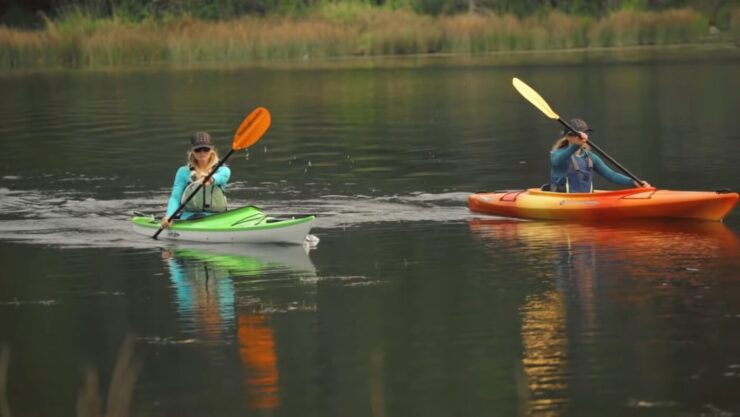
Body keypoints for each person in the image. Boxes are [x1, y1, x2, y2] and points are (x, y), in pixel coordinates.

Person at [547, 118, 650, 193]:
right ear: (568, 137)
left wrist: (634, 182)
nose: (582, 138)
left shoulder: (590, 157)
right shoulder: (558, 154)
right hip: (561, 200)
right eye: (576, 135)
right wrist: (576, 145)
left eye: (584, 134)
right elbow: (557, 160)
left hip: (586, 200)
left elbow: (611, 175)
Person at [160, 132, 231, 228]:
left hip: (217, 218)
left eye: (206, 149)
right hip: (189, 218)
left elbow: (223, 176)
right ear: (192, 151)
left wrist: (211, 179)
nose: (202, 152)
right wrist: (169, 216)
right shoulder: (183, 172)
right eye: (198, 149)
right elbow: (175, 197)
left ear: (212, 150)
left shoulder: (222, 170)